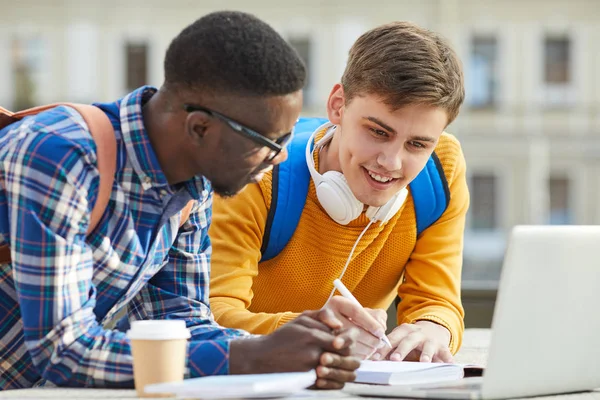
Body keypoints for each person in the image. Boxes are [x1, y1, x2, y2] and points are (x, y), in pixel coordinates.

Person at [0, 11, 364, 391]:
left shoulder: (196, 185)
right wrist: (254, 357)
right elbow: (64, 351)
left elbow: (181, 322)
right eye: (271, 143)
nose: (281, 158)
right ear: (200, 128)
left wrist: (287, 354)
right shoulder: (60, 156)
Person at [208, 21, 469, 364]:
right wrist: (312, 332)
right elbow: (209, 316)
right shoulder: (259, 171)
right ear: (338, 106)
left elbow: (437, 302)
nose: (391, 162)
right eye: (378, 132)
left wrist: (433, 328)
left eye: (417, 144)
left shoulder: (441, 170)